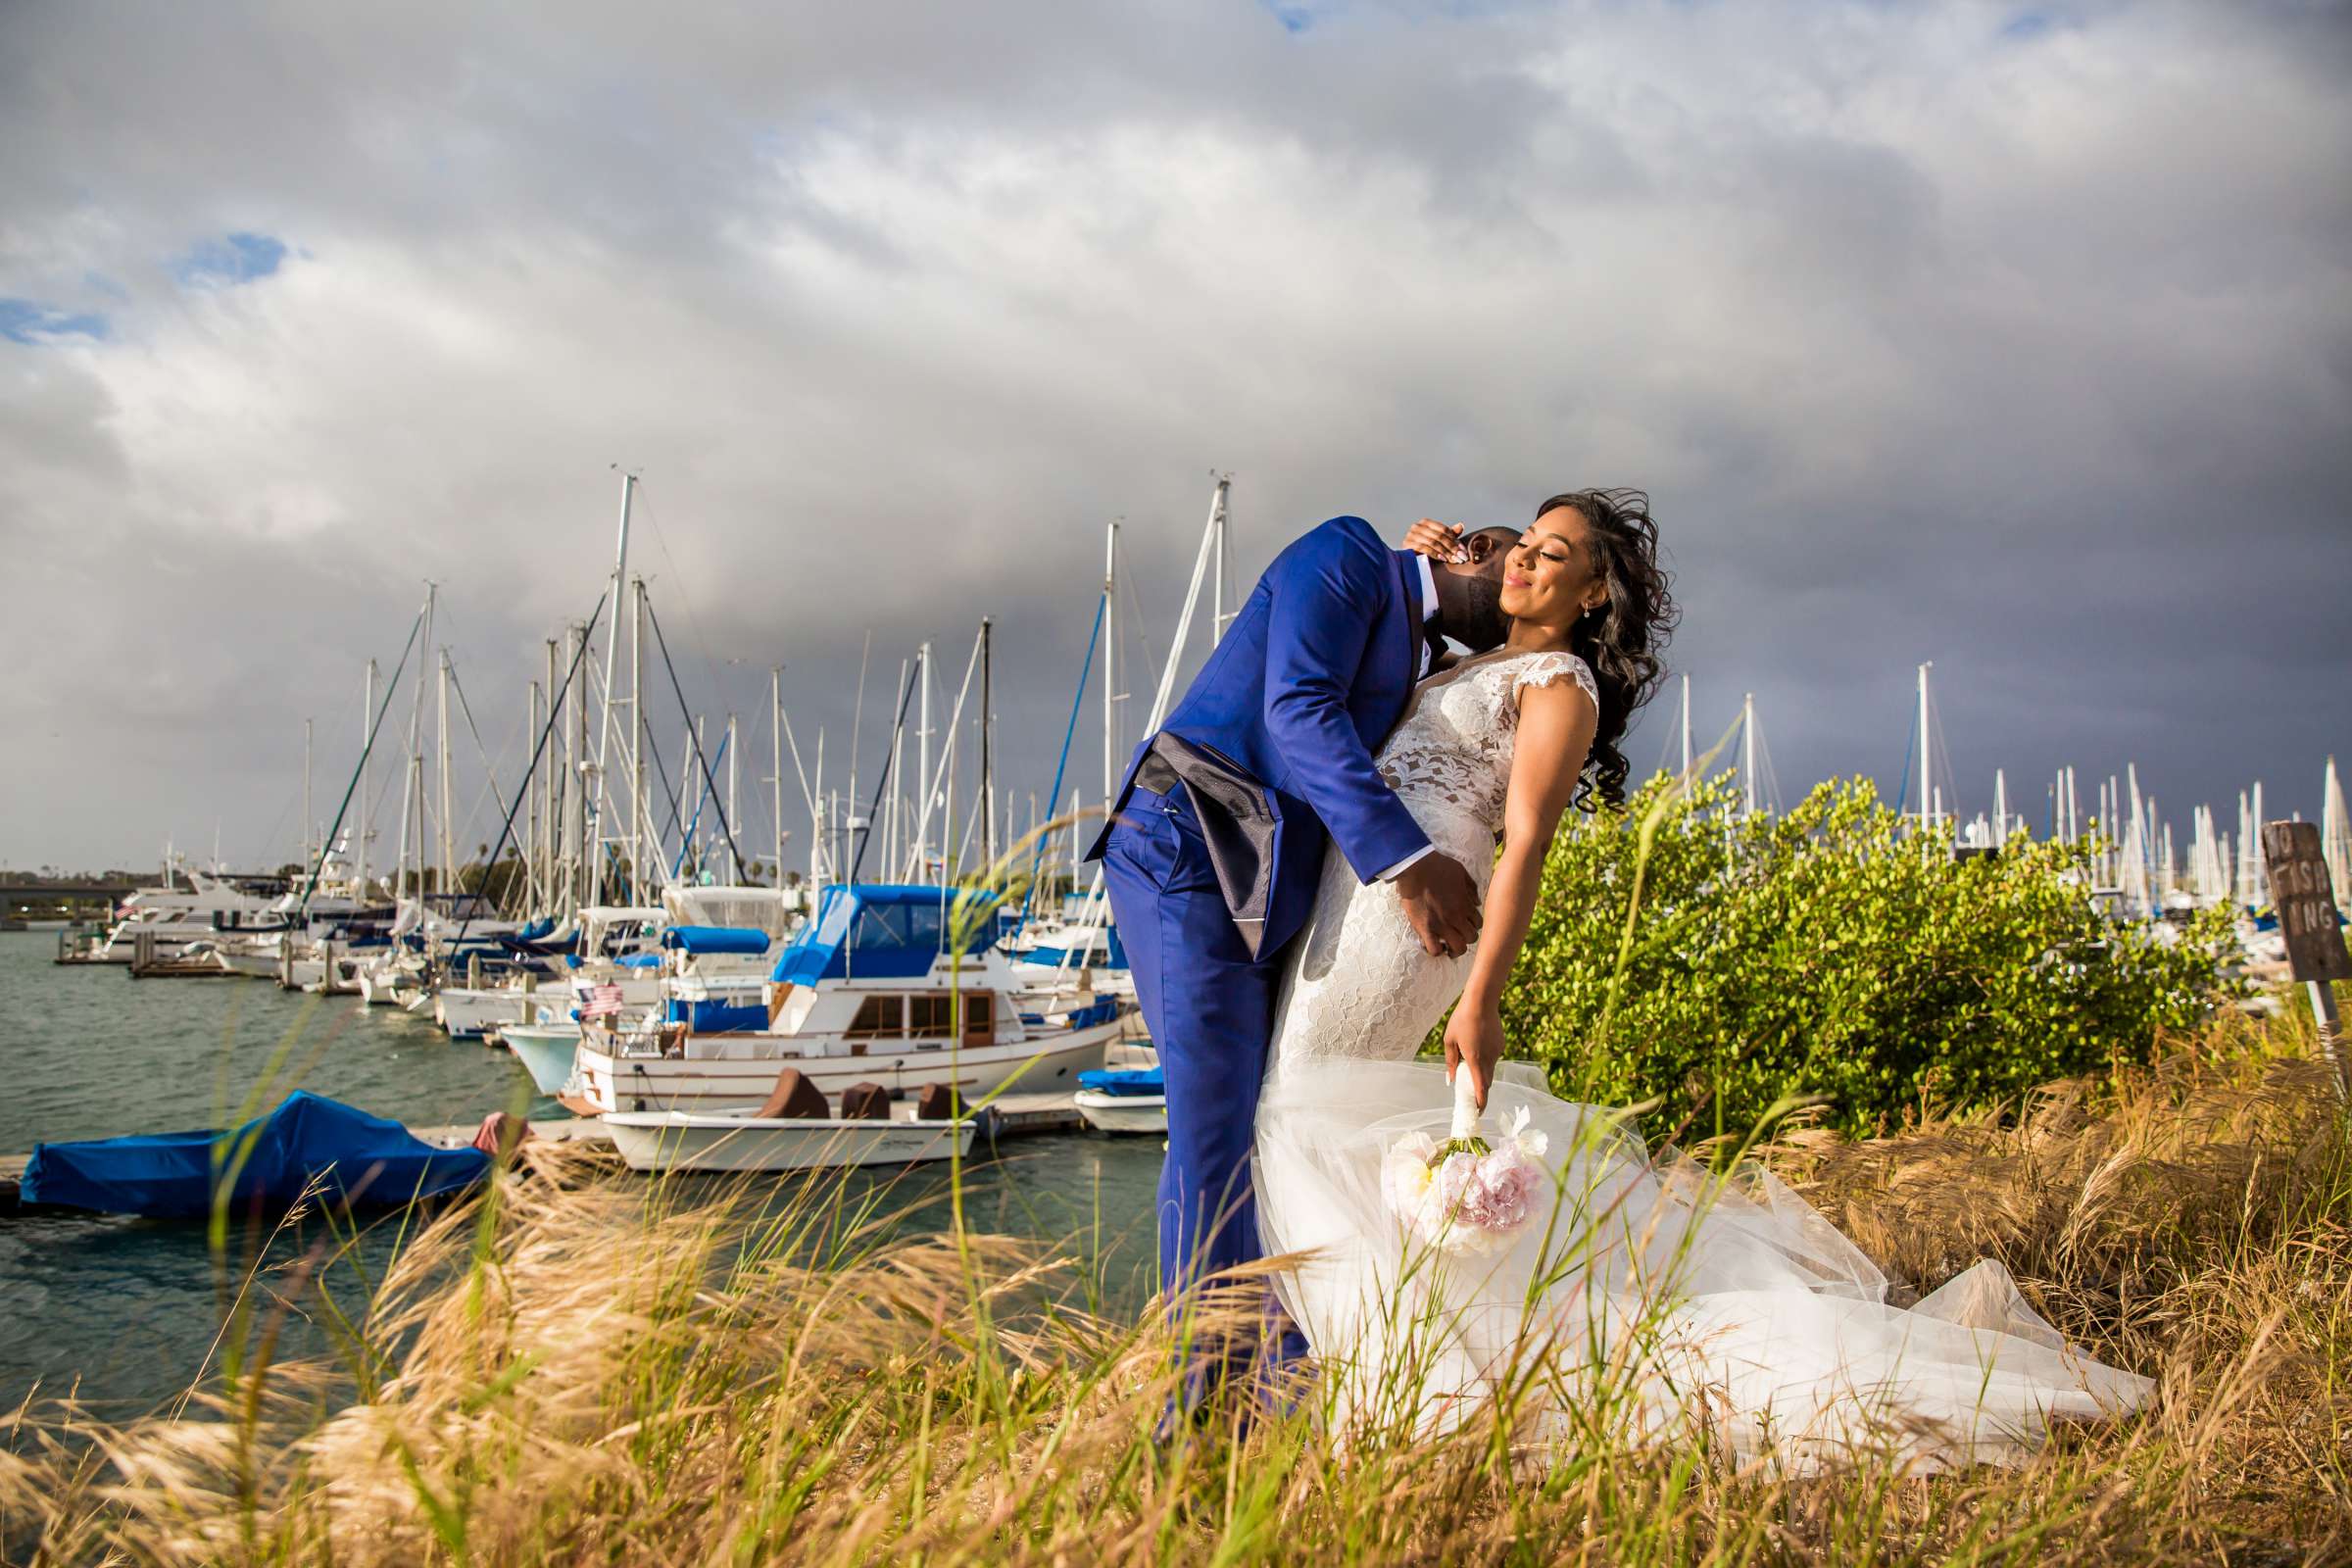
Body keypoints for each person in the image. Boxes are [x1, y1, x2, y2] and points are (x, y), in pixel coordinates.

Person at [1251, 490, 2153, 1471]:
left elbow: (1526, 849)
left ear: (1594, 591)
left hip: (1414, 914)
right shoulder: (1468, 661)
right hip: (1358, 886)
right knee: (1307, 1108)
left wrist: (1483, 997)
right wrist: (1422, 553)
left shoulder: (1559, 685)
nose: (1526, 563)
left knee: (1296, 1102)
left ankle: (1373, 1391)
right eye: (1524, 545)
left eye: (1555, 555)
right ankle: (1379, 1364)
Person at [1089, 512, 1521, 1336]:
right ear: (1473, 552)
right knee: (1213, 1145)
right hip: (1193, 846)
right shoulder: (1348, 553)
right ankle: (1198, 1421)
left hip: (1269, 891)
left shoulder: (1432, 653)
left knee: (1261, 1132)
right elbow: (1299, 706)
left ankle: (1275, 1385)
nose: (1508, 625)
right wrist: (1410, 861)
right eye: (1511, 587)